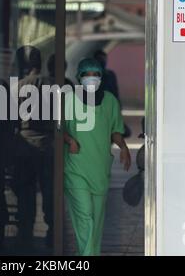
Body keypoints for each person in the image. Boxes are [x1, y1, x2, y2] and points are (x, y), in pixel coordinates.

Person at [63, 57, 131, 256]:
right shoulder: (69, 99)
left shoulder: (110, 101)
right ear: (79, 76)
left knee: (97, 221)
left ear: (102, 77)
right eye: (87, 75)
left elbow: (115, 130)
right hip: (75, 169)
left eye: (95, 75)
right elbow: (58, 128)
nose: (91, 79)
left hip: (100, 170)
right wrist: (70, 140)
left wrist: (124, 147)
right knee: (84, 217)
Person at [13, 45, 55, 249]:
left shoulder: (17, 86)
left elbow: (9, 120)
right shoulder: (52, 86)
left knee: (25, 192)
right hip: (47, 143)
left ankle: (25, 233)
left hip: (24, 144)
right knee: (49, 191)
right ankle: (52, 232)